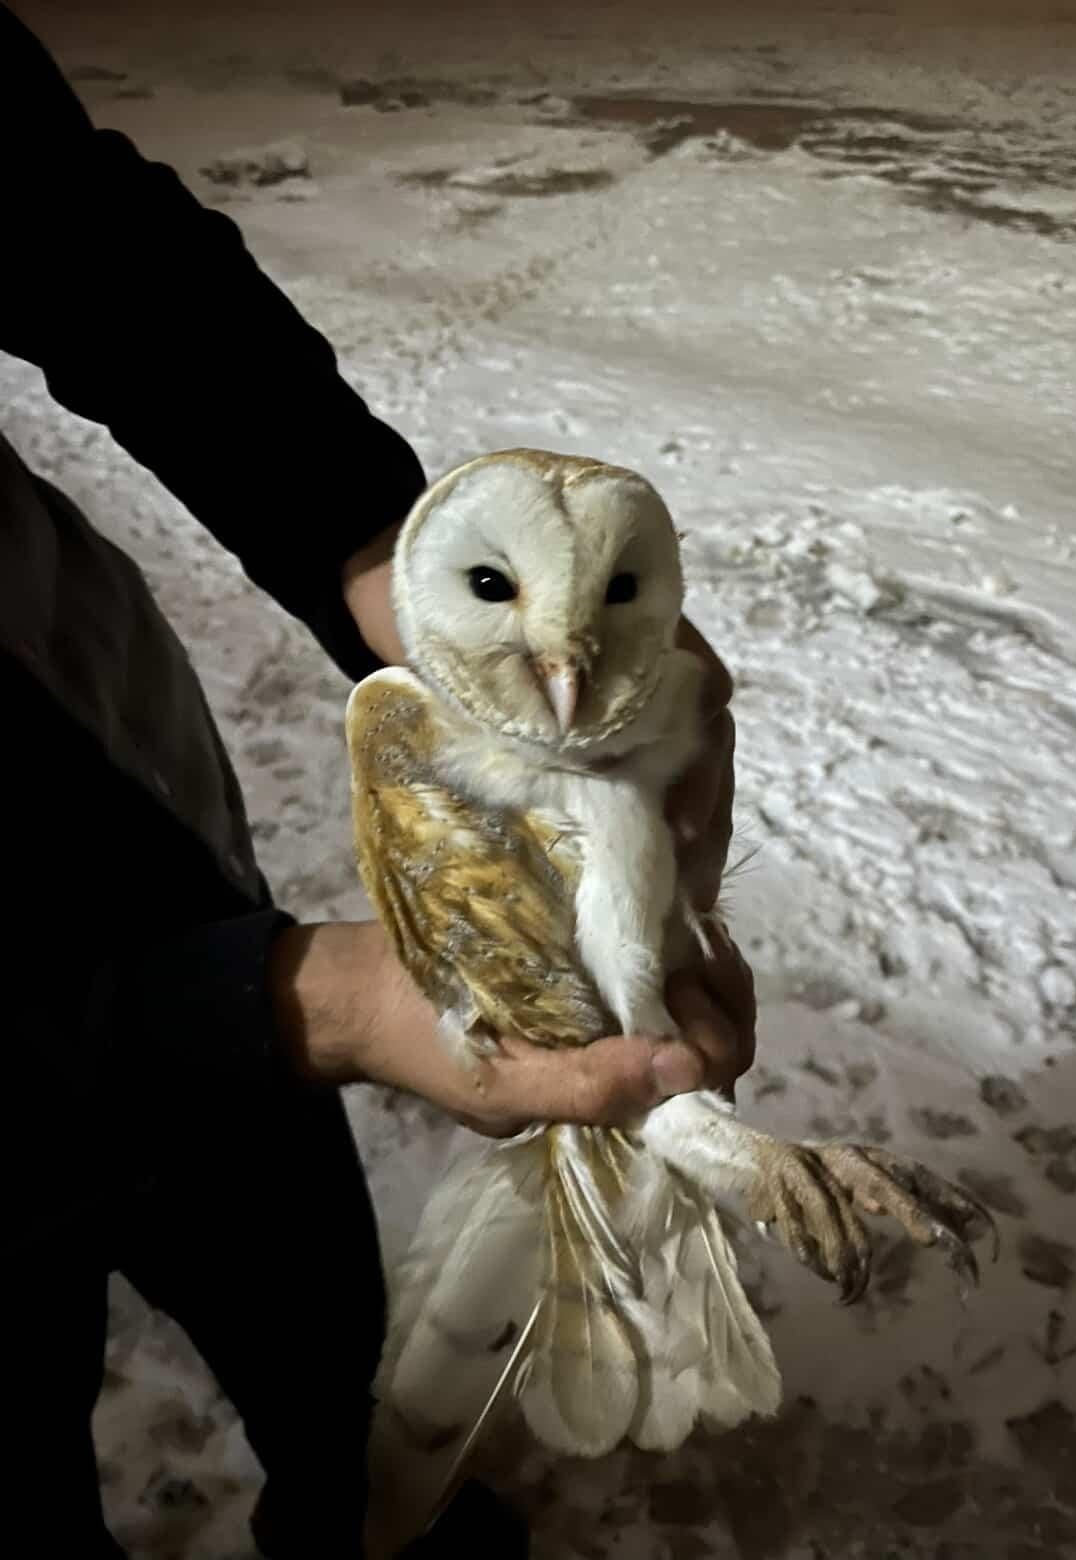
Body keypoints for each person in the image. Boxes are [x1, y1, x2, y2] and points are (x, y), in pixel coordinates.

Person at [1, 6, 754, 1557]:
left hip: (99, 789)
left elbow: (74, 231)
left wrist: (391, 562)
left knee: (289, 1258)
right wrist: (312, 1008)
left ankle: (363, 1498)